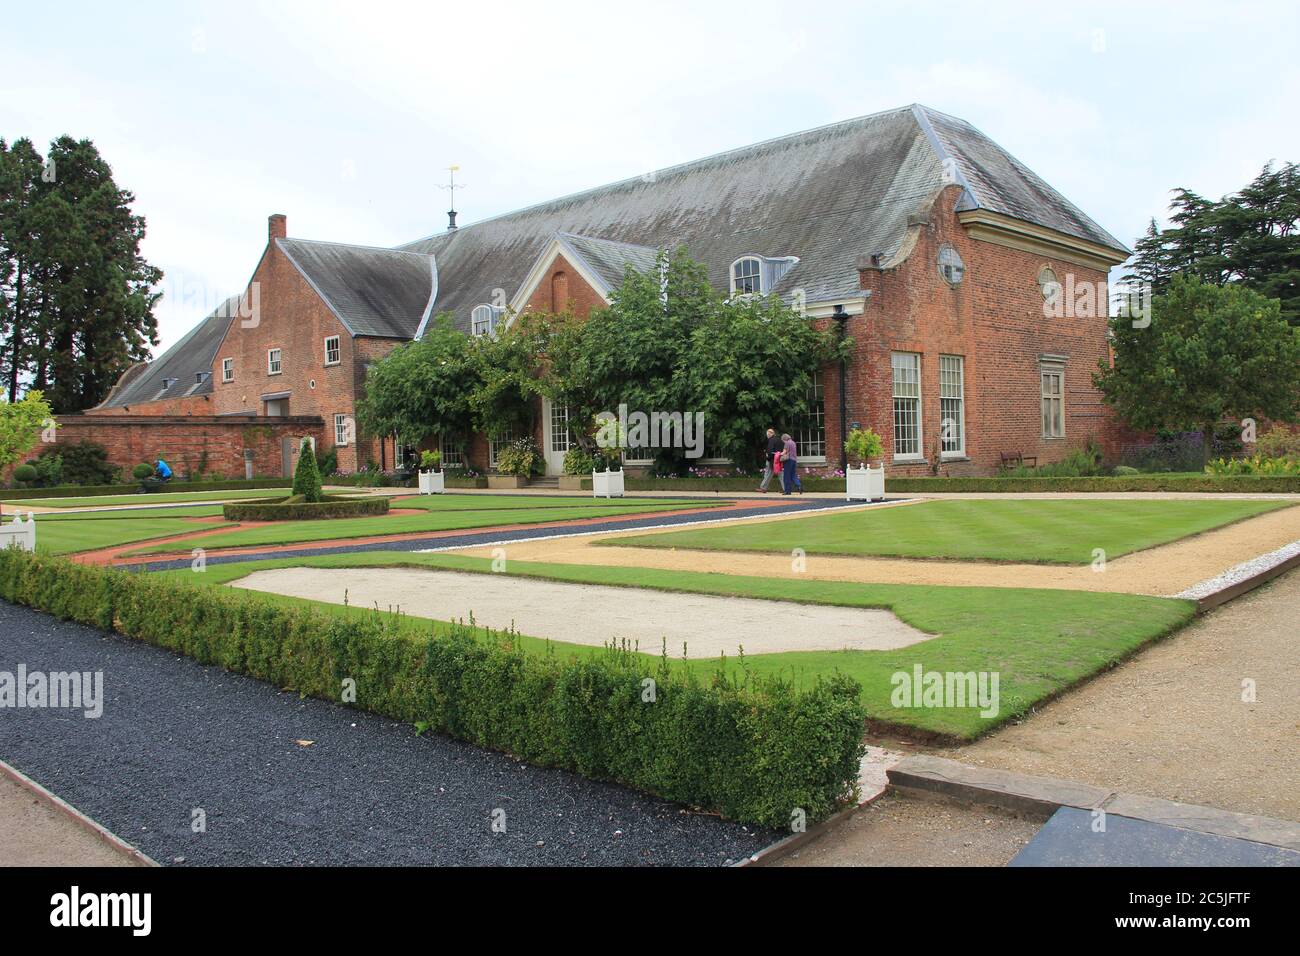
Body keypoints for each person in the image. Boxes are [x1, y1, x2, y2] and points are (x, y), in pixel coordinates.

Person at [756, 427, 783, 492]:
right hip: (779, 459)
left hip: (772, 460)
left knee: (768, 474)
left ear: (770, 434)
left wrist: (768, 458)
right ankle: (786, 488)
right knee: (781, 474)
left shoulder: (771, 440)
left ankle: (763, 488)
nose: (767, 436)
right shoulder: (779, 440)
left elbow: (770, 451)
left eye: (767, 434)